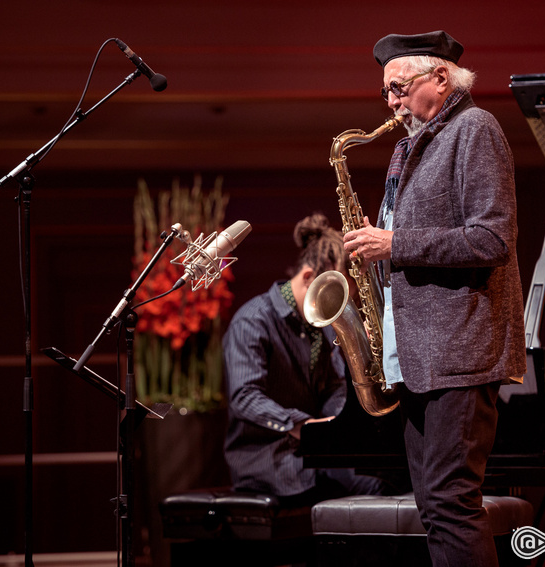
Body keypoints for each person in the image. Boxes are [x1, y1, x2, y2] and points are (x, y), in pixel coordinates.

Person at [342, 31, 526, 566]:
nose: (393, 103)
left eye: (399, 88)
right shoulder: (410, 144)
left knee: (450, 503)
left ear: (440, 79)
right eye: (387, 94)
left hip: (459, 355)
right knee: (435, 506)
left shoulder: (474, 128)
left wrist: (394, 243)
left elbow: (492, 239)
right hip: (422, 358)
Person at [223, 213, 390, 506]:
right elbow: (245, 397)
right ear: (309, 278)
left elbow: (332, 390)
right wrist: (307, 426)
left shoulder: (319, 328)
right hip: (267, 459)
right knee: (374, 488)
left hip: (311, 453)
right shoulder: (252, 321)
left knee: (388, 478)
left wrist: (341, 423)